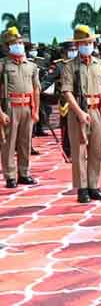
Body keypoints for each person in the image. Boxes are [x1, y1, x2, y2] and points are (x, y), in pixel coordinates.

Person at [61, 25, 101, 203]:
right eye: (84, 43)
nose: (88, 45)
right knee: (79, 151)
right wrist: (79, 112)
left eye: (90, 42)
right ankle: (82, 188)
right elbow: (67, 92)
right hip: (78, 112)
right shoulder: (70, 66)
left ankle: (93, 185)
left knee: (96, 150)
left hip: (97, 110)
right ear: (77, 44)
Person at [0, 26, 40, 189]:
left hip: (27, 106)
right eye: (14, 43)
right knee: (9, 143)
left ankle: (24, 173)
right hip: (11, 107)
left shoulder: (31, 66)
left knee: (25, 141)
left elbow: (36, 89)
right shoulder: (3, 65)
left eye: (20, 42)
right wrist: (1, 113)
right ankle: (10, 175)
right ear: (8, 46)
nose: (19, 45)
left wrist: (36, 110)